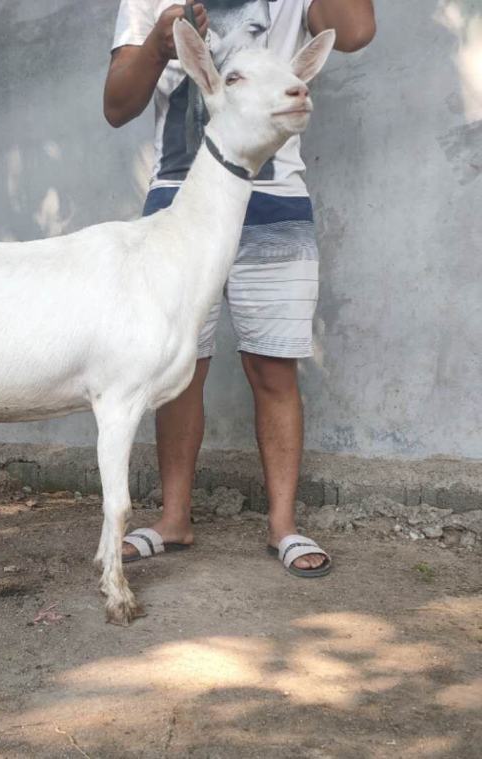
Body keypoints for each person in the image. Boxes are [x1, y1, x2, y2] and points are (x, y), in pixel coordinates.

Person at [103, 0, 375, 575]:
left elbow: (354, 31)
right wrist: (157, 42)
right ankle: (174, 518)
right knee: (179, 367)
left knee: (273, 368)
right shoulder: (148, 3)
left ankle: (283, 525)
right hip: (179, 200)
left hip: (274, 201)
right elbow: (117, 106)